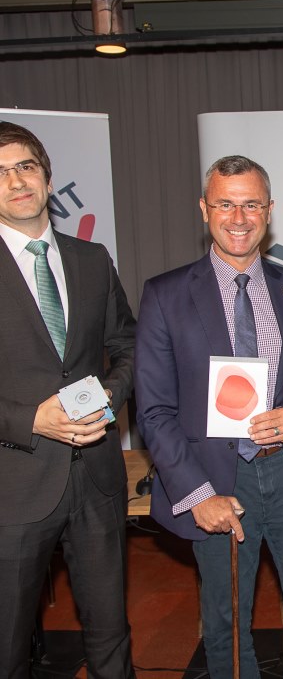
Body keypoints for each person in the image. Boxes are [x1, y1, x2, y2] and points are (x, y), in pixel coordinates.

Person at [135, 155, 283, 679]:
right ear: (204, 210)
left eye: (251, 204)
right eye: (225, 203)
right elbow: (154, 409)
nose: (239, 216)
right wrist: (197, 494)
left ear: (269, 211)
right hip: (215, 479)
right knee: (227, 623)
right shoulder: (165, 295)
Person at [0, 121, 136, 678]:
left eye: (25, 167)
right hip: (16, 487)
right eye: (0, 173)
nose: (15, 181)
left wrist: (108, 395)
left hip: (97, 478)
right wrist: (30, 418)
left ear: (48, 178)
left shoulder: (90, 259)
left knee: (111, 637)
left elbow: (127, 345)